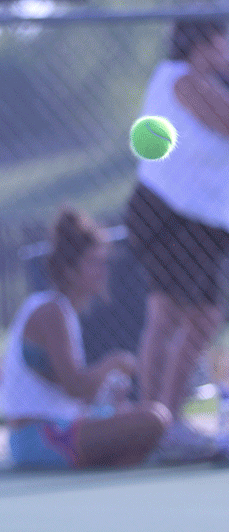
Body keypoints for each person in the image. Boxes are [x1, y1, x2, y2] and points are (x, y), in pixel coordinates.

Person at [124, 19, 229, 461]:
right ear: (205, 42)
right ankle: (156, 422)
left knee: (202, 320)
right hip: (170, 214)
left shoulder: (204, 80)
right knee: (167, 316)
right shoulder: (181, 79)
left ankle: (166, 419)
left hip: (203, 221)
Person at [1, 207, 170, 469]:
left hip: (55, 427)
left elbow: (73, 394)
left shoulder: (62, 311)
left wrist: (111, 398)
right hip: (37, 438)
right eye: (94, 263)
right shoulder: (51, 311)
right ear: (70, 270)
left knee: (145, 419)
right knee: (153, 419)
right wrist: (113, 363)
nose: (103, 271)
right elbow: (76, 387)